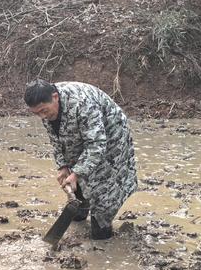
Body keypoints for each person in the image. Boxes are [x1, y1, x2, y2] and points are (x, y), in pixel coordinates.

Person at [24, 79, 137, 240]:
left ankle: (102, 233)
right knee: (78, 187)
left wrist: (76, 173)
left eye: (43, 111)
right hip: (83, 136)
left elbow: (97, 144)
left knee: (103, 191)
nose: (42, 116)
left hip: (111, 138)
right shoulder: (47, 107)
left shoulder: (82, 104)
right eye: (37, 113)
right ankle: (79, 210)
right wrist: (62, 166)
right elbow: (56, 139)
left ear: (55, 97)